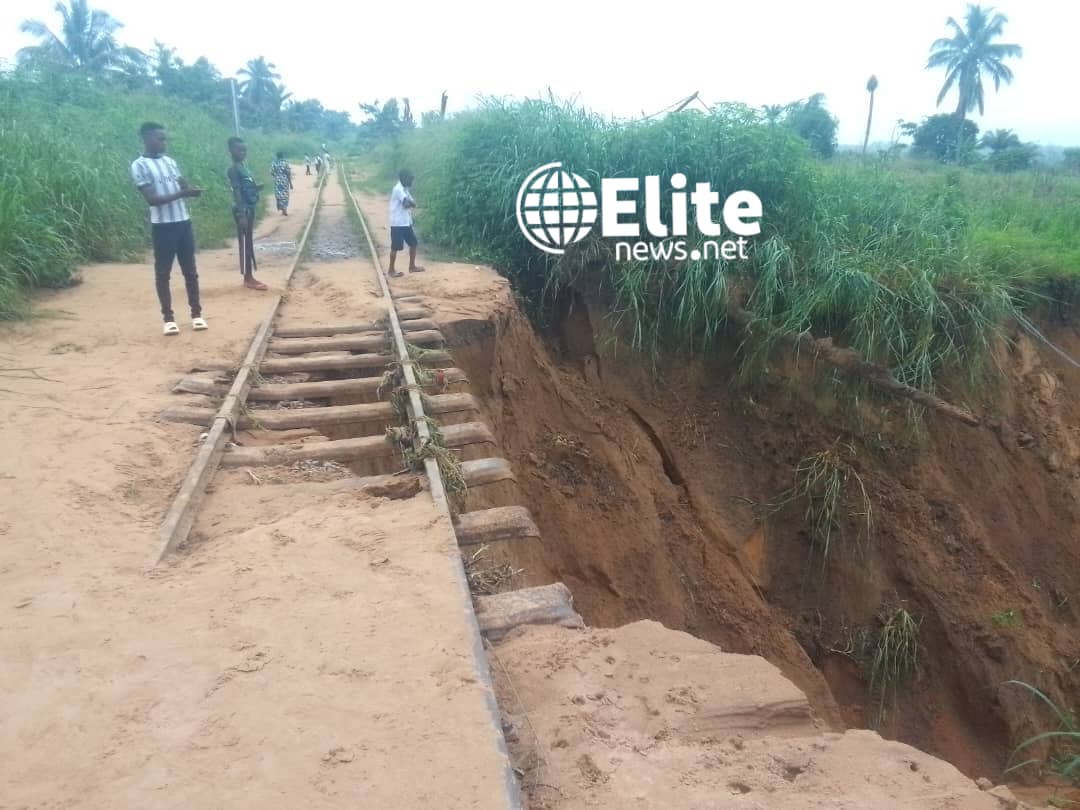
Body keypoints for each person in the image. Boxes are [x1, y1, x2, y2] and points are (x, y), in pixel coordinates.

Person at [130, 122, 207, 336]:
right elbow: (152, 200)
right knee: (163, 273)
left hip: (183, 222)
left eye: (165, 138)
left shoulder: (170, 162)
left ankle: (196, 314)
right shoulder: (139, 166)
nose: (164, 142)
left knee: (190, 271)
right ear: (147, 139)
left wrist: (188, 189)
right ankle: (168, 318)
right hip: (163, 226)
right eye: (160, 138)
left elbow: (181, 185)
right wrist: (182, 194)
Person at [226, 136, 268, 291]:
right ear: (231, 151)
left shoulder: (243, 167)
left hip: (249, 208)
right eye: (239, 150)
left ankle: (249, 276)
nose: (243, 152)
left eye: (244, 150)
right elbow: (236, 192)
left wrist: (255, 188)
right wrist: (242, 215)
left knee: (249, 242)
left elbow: (245, 188)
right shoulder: (233, 169)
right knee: (246, 244)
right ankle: (248, 278)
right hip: (243, 210)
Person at [387, 169, 425, 277]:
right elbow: (407, 204)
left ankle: (412, 266)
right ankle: (391, 270)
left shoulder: (405, 189)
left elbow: (413, 203)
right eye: (410, 179)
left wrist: (411, 203)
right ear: (403, 178)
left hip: (406, 222)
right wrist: (411, 203)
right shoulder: (398, 189)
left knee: (413, 243)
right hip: (398, 223)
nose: (411, 182)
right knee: (395, 247)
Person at [270, 152, 293, 216]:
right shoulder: (285, 163)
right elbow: (288, 173)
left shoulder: (274, 163)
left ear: (277, 156)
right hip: (284, 180)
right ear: (282, 156)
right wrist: (291, 183)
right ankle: (284, 209)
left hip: (277, 181)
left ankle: (281, 207)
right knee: (285, 194)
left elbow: (271, 172)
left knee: (278, 194)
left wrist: (276, 175)